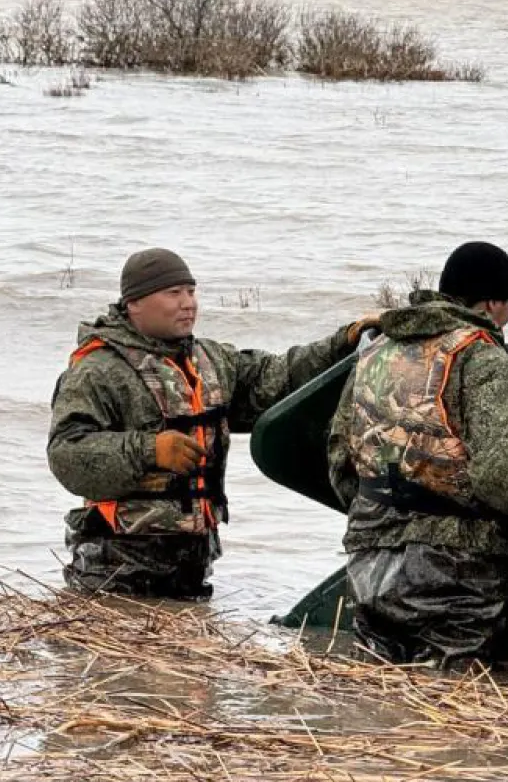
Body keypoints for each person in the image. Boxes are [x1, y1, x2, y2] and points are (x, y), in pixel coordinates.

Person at [327, 241, 508, 669]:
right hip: (451, 578)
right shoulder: (483, 360)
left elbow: (339, 457)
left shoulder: (375, 352)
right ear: (493, 303)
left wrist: (381, 518)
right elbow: (506, 473)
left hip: (367, 560)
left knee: (379, 691)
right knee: (449, 710)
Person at [48, 248, 375, 598]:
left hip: (194, 559)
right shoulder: (96, 370)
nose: (188, 303)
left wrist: (343, 342)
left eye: (191, 291)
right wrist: (149, 451)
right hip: (115, 564)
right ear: (134, 303)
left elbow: (277, 378)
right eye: (173, 293)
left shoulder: (210, 360)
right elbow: (67, 454)